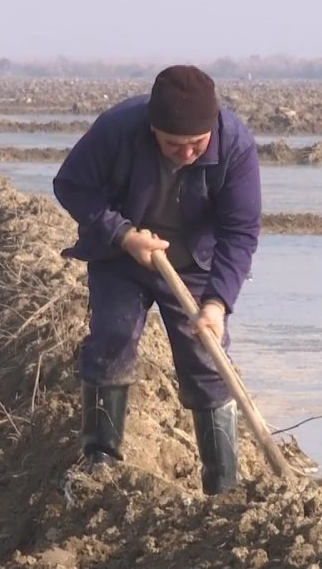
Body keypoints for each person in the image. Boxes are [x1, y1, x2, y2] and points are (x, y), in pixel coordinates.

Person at [52, 64, 262, 495]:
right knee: (111, 337)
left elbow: (240, 233)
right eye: (173, 145)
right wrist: (123, 235)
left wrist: (218, 303)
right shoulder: (118, 128)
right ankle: (98, 464)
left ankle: (223, 489)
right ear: (152, 129)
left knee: (206, 358)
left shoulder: (236, 146)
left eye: (196, 146)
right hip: (121, 255)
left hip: (192, 265)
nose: (186, 154)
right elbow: (71, 185)